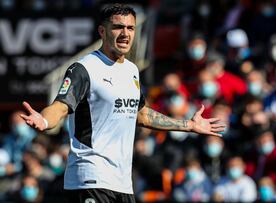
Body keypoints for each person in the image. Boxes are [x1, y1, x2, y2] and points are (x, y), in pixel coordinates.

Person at [19, 4, 225, 203]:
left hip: (122, 182)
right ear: (102, 31)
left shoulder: (132, 71)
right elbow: (61, 106)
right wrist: (44, 120)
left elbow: (141, 114)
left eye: (130, 28)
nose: (125, 33)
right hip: (91, 176)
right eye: (118, 27)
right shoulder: (84, 68)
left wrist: (187, 125)